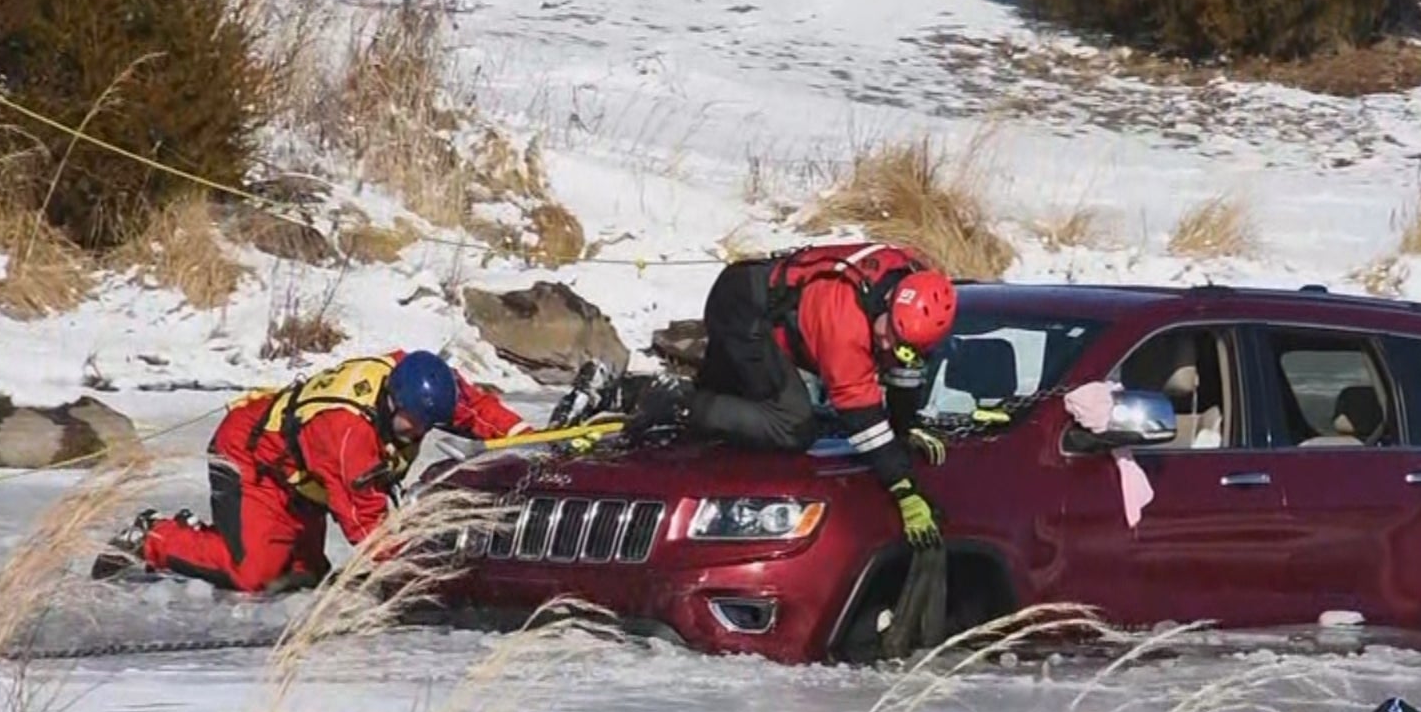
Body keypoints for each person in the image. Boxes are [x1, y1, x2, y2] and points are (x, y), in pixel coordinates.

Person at [97, 349, 532, 593]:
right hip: (252, 462)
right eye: (407, 424)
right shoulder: (348, 435)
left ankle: (205, 540)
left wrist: (523, 435)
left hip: (304, 480)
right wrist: (427, 580)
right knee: (253, 575)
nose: (414, 433)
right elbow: (369, 528)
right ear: (390, 401)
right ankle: (152, 539)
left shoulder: (417, 380)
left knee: (304, 577)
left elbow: (473, 407)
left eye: (424, 426)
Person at [626, 242, 958, 548]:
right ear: (891, 300)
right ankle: (678, 401)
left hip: (767, 303)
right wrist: (904, 489)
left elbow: (903, 378)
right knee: (792, 424)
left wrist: (904, 430)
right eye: (890, 334)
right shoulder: (845, 323)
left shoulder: (913, 299)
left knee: (741, 411)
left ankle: (687, 404)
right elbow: (864, 420)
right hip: (744, 307)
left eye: (902, 348)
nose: (887, 346)